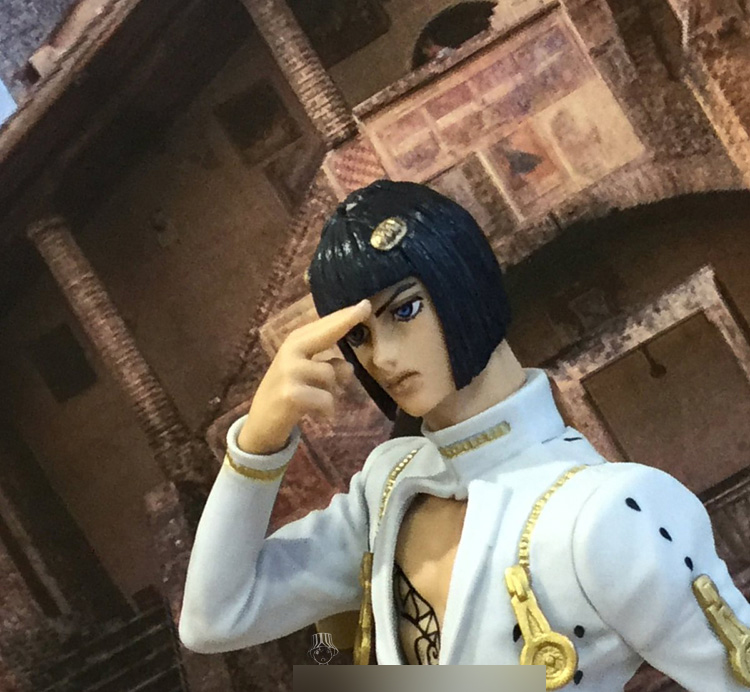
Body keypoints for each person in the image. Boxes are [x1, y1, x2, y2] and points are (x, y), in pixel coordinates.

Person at [179, 181, 750, 688]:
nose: (383, 356)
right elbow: (215, 618)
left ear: (463, 282)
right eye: (359, 337)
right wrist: (258, 444)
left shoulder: (607, 510)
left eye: (404, 310)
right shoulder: (390, 486)